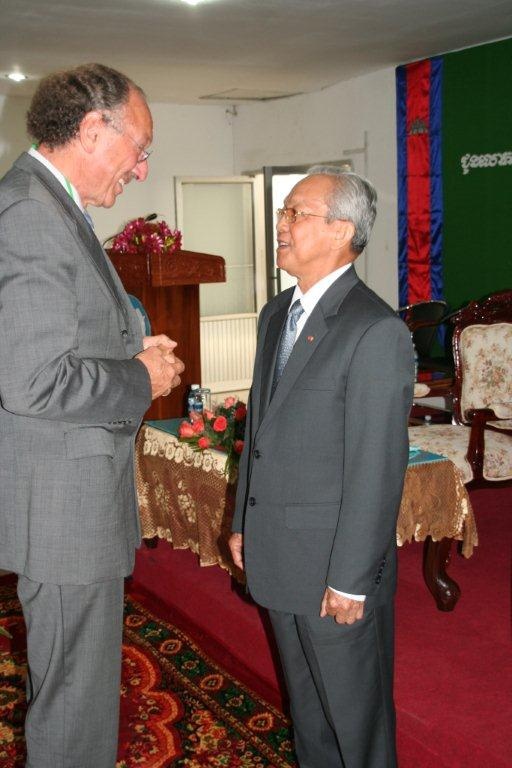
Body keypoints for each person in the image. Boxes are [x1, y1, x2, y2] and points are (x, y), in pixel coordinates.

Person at [0, 64, 184, 767]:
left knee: (76, 690)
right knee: (74, 703)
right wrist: (139, 377)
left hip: (68, 501)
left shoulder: (51, 205)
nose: (142, 169)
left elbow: (58, 339)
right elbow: (31, 380)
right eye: (140, 148)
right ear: (91, 129)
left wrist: (129, 348)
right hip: (63, 511)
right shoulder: (31, 213)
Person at [229, 167, 414, 768]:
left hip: (336, 568)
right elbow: (260, 427)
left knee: (356, 726)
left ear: (341, 230)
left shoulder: (375, 329)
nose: (281, 225)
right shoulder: (277, 312)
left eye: (296, 214)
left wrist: (352, 578)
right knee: (308, 716)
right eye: (283, 213)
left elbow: (376, 468)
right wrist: (244, 522)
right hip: (279, 553)